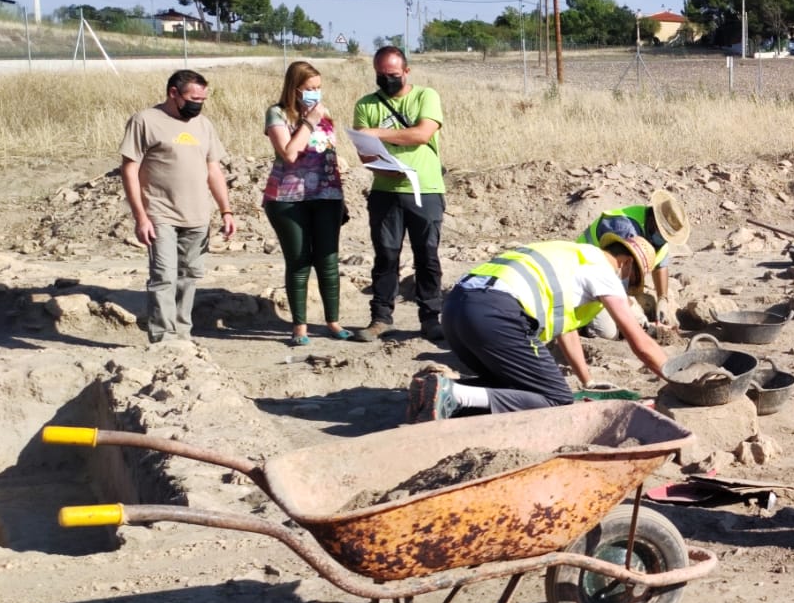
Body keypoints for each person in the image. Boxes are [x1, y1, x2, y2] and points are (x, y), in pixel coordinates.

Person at [410, 233, 672, 419]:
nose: (627, 282)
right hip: (496, 314)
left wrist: (587, 380)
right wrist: (676, 379)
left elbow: (565, 328)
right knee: (557, 399)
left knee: (514, 386)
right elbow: (639, 340)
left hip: (457, 309)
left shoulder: (570, 254)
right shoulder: (604, 271)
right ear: (626, 262)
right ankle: (454, 395)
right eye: (633, 277)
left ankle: (431, 392)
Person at [118, 68, 236, 344]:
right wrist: (140, 217)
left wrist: (226, 210)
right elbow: (129, 169)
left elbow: (213, 169)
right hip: (160, 214)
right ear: (173, 93)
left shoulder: (204, 125)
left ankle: (182, 333)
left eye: (203, 99)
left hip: (197, 216)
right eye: (193, 98)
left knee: (188, 277)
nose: (198, 104)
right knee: (164, 276)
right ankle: (163, 337)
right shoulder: (145, 121)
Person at [351, 46, 445, 342]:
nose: (387, 80)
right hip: (385, 190)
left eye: (392, 74)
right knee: (385, 256)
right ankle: (380, 318)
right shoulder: (366, 105)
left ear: (406, 71)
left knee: (427, 255)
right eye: (381, 75)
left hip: (425, 189)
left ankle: (431, 318)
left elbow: (421, 134)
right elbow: (363, 151)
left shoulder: (425, 96)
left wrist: (377, 133)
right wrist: (383, 165)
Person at [263, 59, 353, 345]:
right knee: (299, 260)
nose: (316, 93)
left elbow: (327, 154)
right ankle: (299, 326)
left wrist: (341, 192)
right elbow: (289, 153)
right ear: (295, 88)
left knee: (327, 259)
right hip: (288, 198)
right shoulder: (277, 114)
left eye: (319, 87)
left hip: (327, 196)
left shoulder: (326, 116)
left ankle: (333, 322)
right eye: (309, 88)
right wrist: (308, 122)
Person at [577, 190, 689, 332]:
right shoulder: (625, 228)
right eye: (663, 233)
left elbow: (661, 263)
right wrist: (640, 320)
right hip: (587, 277)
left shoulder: (658, 237)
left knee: (643, 307)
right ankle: (582, 326)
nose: (664, 239)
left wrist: (662, 299)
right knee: (609, 331)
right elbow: (617, 285)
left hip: (615, 278)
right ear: (653, 220)